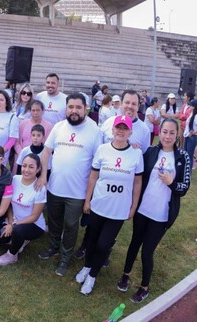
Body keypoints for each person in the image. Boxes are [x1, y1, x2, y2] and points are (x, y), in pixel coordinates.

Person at [117, 118, 192, 303]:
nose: (167, 136)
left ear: (177, 134)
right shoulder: (150, 152)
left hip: (161, 215)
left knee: (147, 251)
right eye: (164, 132)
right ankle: (125, 275)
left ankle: (144, 287)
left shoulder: (183, 157)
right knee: (135, 243)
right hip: (143, 210)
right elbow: (137, 175)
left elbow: (184, 188)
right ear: (160, 133)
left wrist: (171, 183)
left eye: (172, 133)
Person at [75, 115, 143, 295]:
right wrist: (87, 200)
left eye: (124, 128)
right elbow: (93, 177)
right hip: (98, 204)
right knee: (92, 239)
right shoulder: (103, 149)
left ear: (130, 131)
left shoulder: (136, 153)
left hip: (118, 209)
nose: (121, 131)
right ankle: (87, 267)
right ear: (112, 130)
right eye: (118, 127)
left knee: (103, 245)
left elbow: (137, 183)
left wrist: (133, 206)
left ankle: (93, 276)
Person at [38, 93, 102, 277]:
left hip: (77, 192)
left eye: (78, 107)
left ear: (86, 109)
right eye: (71, 107)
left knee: (71, 225)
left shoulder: (94, 130)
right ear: (66, 108)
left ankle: (65, 258)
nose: (74, 111)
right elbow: (46, 152)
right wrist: (43, 175)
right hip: (55, 188)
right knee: (54, 221)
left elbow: (97, 165)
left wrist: (89, 196)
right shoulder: (59, 127)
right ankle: (53, 247)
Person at [0, 153, 47, 265]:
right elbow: (9, 204)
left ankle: (12, 255)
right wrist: (11, 221)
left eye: (31, 167)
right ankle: (19, 240)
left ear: (38, 169)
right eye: (24, 165)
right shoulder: (15, 180)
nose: (26, 170)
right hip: (14, 220)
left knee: (18, 230)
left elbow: (34, 217)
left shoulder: (40, 188)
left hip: (34, 225)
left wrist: (13, 225)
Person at [14, 100, 52, 168]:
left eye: (38, 110)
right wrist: (23, 154)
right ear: (30, 111)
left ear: (42, 111)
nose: (35, 113)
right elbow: (17, 142)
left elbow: (48, 145)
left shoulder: (48, 126)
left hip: (40, 159)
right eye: (33, 110)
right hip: (22, 158)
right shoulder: (23, 123)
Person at [184, 100, 197, 165]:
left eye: (191, 105)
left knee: (189, 156)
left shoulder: (196, 116)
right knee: (185, 155)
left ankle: (189, 172)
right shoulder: (192, 114)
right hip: (187, 136)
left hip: (192, 137)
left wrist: (192, 133)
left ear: (194, 107)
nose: (189, 106)